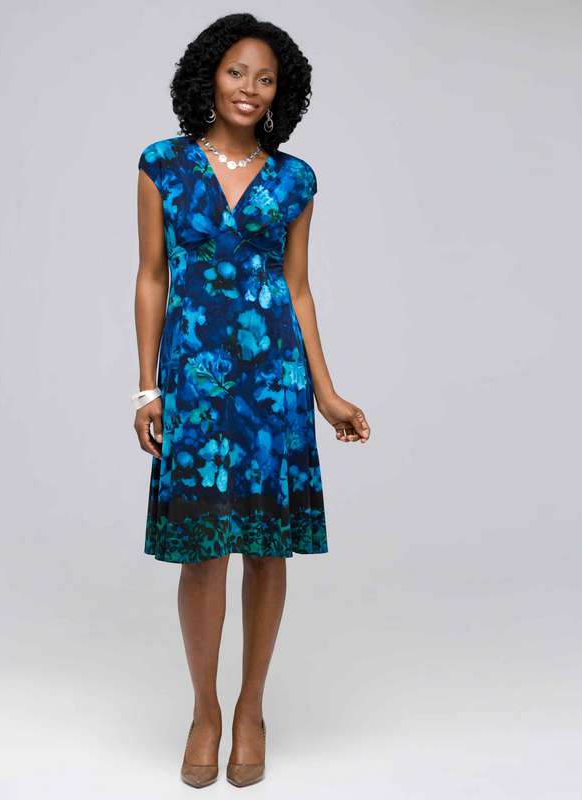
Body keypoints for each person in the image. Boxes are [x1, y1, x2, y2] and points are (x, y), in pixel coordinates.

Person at [133, 13, 370, 788]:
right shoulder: (163, 165)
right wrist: (147, 387)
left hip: (274, 382)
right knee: (203, 550)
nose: (249, 88)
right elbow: (152, 277)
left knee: (268, 548)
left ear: (281, 93)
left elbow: (298, 289)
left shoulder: (295, 180)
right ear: (209, 74)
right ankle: (204, 710)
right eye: (237, 71)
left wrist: (327, 393)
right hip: (194, 382)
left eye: (266, 78)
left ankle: (252, 709)